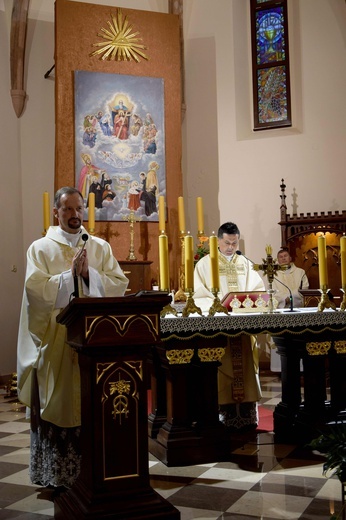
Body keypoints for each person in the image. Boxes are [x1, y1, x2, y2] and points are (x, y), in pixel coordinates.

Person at [16, 187, 129, 489]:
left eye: (79, 209)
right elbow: (34, 291)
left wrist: (90, 275)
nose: (75, 215)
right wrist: (69, 277)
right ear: (56, 212)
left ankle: (93, 471)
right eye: (67, 209)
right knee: (59, 401)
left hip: (92, 342)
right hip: (56, 341)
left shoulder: (99, 247)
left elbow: (119, 284)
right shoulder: (40, 248)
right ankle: (57, 474)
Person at [194, 221, 265, 431]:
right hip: (219, 329)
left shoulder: (245, 263)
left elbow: (257, 289)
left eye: (234, 243)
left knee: (245, 366)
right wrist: (216, 308)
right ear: (218, 241)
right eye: (227, 243)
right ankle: (224, 413)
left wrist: (251, 303)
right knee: (221, 366)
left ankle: (246, 414)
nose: (231, 247)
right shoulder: (205, 264)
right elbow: (199, 294)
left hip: (242, 328)